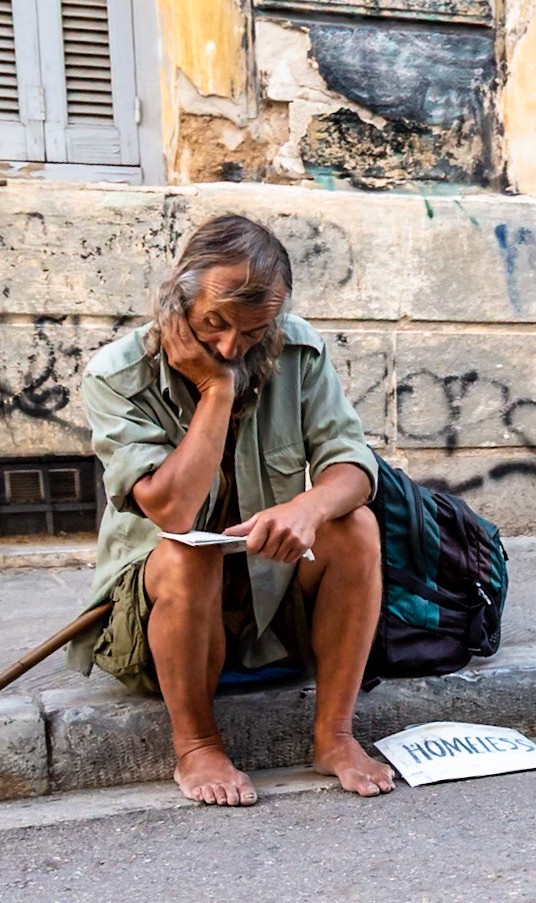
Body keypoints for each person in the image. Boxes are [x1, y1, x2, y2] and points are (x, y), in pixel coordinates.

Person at [65, 213, 394, 806]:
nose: (229, 346)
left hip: (271, 604)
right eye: (215, 323)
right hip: (161, 611)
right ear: (178, 297)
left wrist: (308, 508)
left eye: (252, 331)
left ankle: (335, 736)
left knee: (355, 527)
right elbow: (172, 510)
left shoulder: (297, 349)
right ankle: (196, 745)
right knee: (188, 555)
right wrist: (217, 391)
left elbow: (352, 464)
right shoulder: (116, 375)